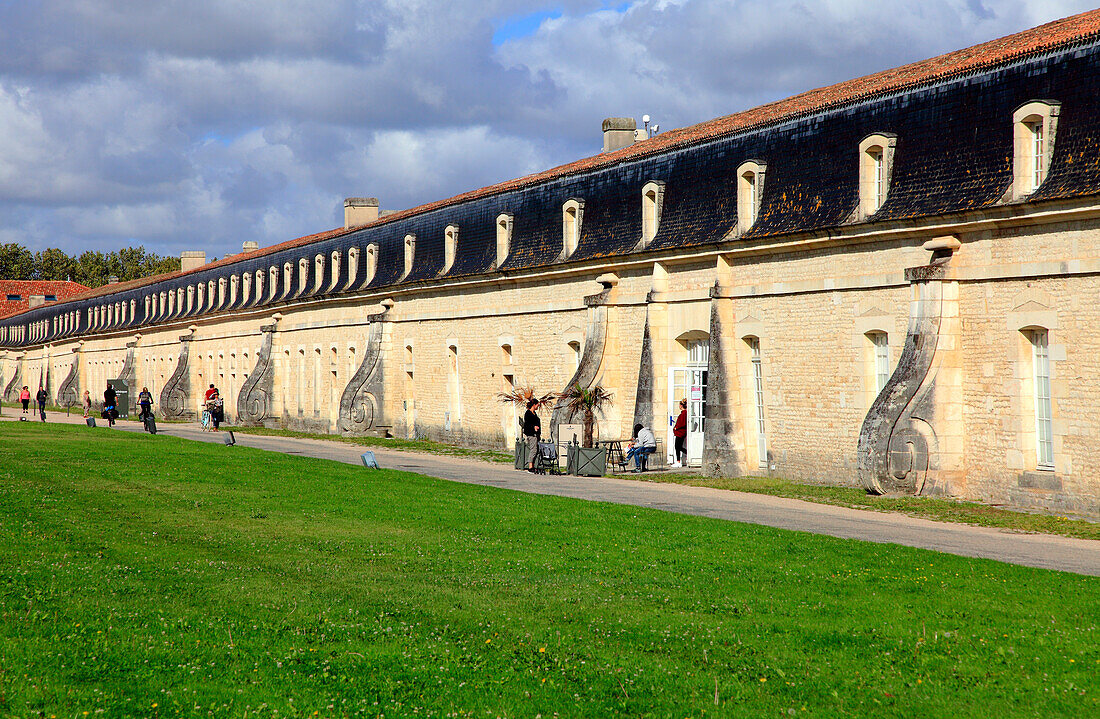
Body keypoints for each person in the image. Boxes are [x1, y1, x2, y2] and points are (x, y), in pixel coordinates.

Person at [522, 398, 540, 471]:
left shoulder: (534, 413)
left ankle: (533, 465)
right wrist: (533, 427)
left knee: (535, 449)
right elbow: (527, 424)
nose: (538, 407)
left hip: (536, 434)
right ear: (534, 405)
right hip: (531, 434)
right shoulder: (528, 414)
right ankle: (530, 466)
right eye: (537, 405)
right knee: (533, 450)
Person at [672, 398, 688, 468]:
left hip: (680, 432)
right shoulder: (684, 413)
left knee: (677, 447)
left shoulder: (683, 414)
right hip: (681, 432)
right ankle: (679, 460)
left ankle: (678, 461)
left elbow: (681, 423)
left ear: (681, 405)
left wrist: (676, 427)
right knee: (679, 447)